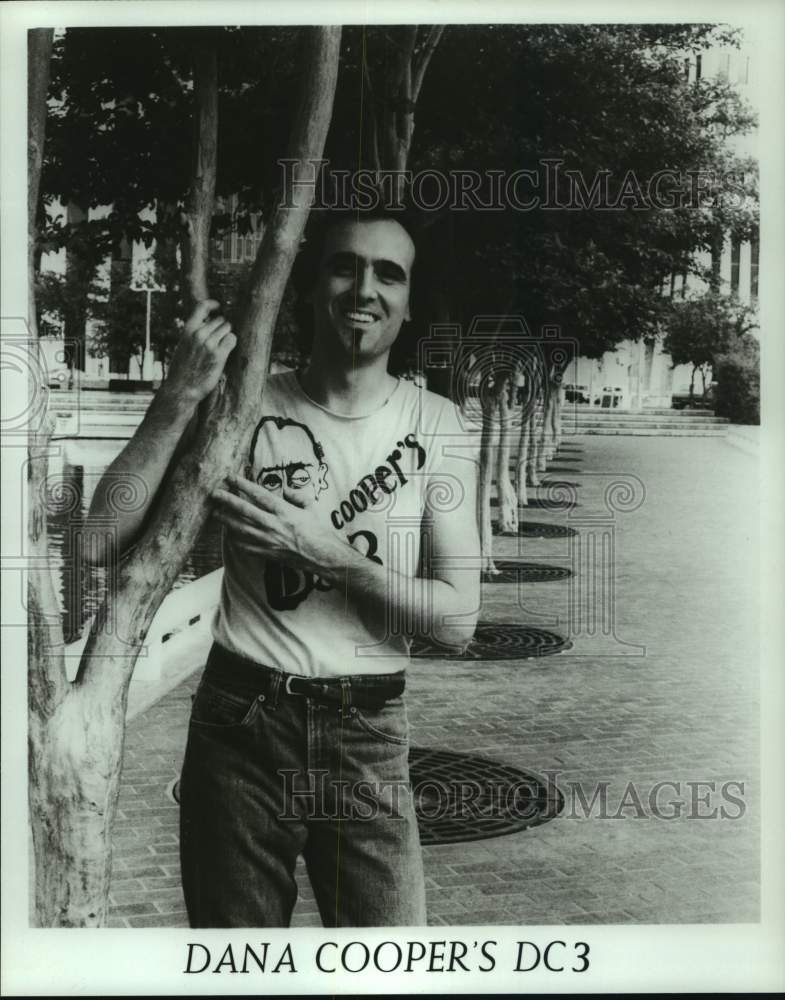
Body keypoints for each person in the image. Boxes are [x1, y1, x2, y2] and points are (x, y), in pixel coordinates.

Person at [87, 207, 481, 928]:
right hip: (240, 722)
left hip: (366, 729)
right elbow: (94, 541)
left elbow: (458, 620)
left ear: (408, 302)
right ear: (307, 286)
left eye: (387, 273)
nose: (364, 288)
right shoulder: (245, 407)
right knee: (239, 968)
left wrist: (325, 555)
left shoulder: (438, 425)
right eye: (343, 265)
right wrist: (177, 399)